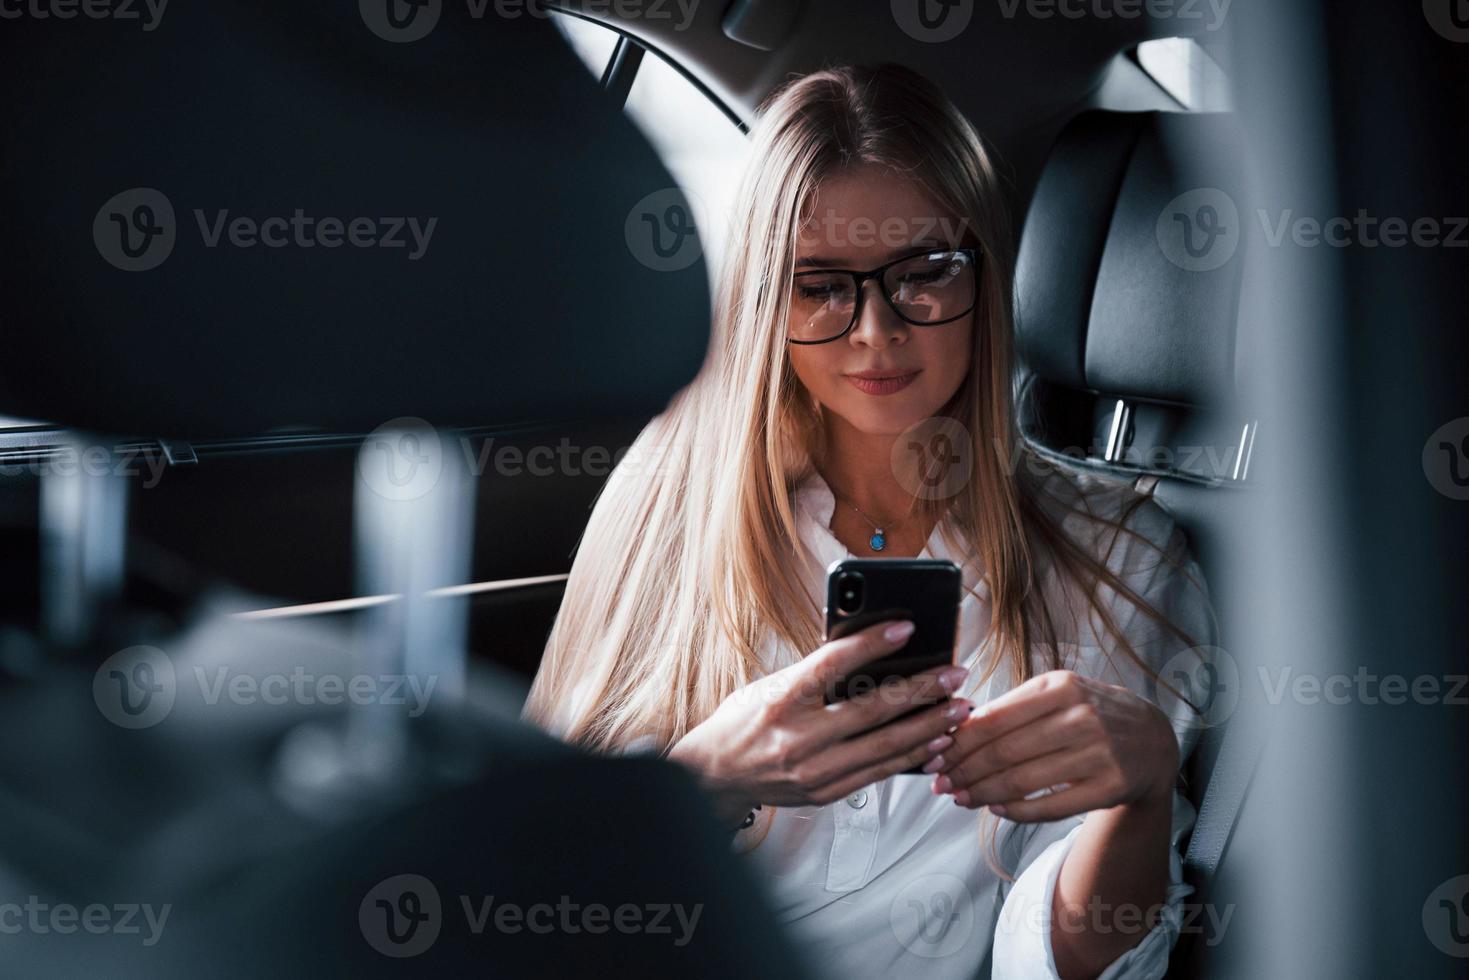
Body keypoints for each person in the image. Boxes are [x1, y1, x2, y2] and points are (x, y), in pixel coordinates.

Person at [526, 63, 1216, 980]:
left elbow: (1056, 962)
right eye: (821, 286)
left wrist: (1139, 798)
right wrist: (705, 781)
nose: (875, 332)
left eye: (922, 273)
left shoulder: (1116, 555)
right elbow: (542, 892)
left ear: (984, 269)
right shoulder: (668, 505)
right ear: (766, 300)